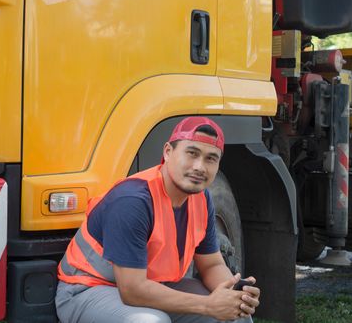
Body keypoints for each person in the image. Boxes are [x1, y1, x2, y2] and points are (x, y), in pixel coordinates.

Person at [55, 116, 261, 323]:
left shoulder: (200, 198)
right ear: (168, 152)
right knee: (150, 321)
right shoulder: (132, 200)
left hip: (153, 285)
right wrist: (208, 305)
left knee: (236, 314)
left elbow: (211, 265)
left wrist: (235, 294)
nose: (200, 167)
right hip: (88, 290)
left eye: (211, 159)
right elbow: (132, 290)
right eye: (192, 153)